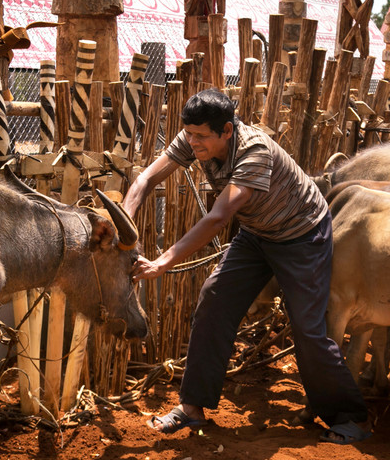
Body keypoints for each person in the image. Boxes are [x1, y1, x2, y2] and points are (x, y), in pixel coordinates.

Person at [123, 88, 371, 446]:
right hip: (258, 233)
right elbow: (144, 180)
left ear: (227, 130)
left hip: (301, 234)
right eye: (189, 133)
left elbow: (219, 217)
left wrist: (163, 262)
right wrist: (125, 224)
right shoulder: (195, 136)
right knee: (213, 299)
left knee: (307, 328)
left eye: (200, 136)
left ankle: (348, 418)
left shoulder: (254, 151)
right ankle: (192, 408)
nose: (192, 142)